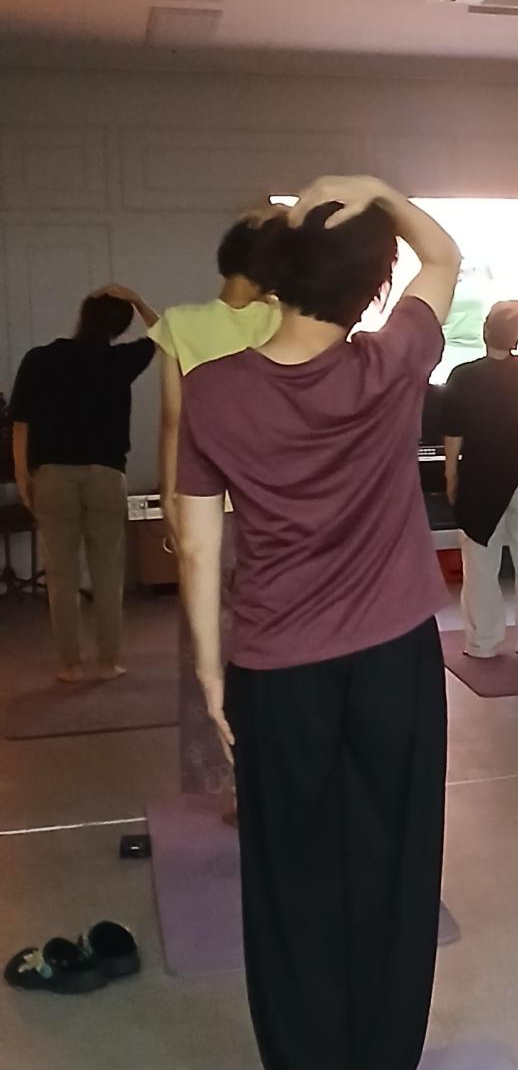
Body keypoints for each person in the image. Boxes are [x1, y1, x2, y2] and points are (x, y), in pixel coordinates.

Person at [174, 176, 459, 1070]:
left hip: (275, 665)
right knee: (395, 865)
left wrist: (210, 674)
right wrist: (380, 190)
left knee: (287, 878)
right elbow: (444, 256)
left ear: (275, 273)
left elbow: (198, 546)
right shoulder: (393, 359)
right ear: (373, 288)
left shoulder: (213, 389)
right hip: (393, 658)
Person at [155, 207, 283, 803]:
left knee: (203, 643)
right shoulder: (282, 320)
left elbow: (173, 420)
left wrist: (169, 499)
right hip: (271, 504)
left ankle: (217, 780)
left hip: (204, 499)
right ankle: (270, 772)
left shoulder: (179, 323)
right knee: (272, 641)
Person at [9, 284, 159, 681]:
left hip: (52, 475)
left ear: (83, 316)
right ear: (120, 328)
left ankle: (70, 665)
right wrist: (137, 299)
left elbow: (20, 423)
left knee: (61, 576)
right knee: (107, 574)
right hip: (107, 475)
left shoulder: (39, 359)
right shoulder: (121, 360)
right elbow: (166, 335)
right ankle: (108, 662)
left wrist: (23, 476)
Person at [442, 299, 518, 658]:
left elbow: (453, 430)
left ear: (484, 332)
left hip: (480, 474)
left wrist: (450, 473)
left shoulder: (462, 375)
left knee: (480, 562)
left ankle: (483, 642)